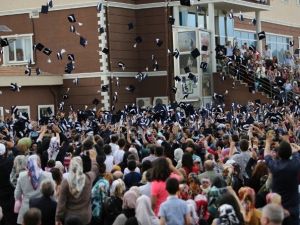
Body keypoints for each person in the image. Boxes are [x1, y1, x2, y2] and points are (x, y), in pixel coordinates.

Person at [55, 151, 99, 225]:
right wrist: (93, 159)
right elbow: (95, 169)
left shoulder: (66, 182)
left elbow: (61, 203)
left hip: (69, 217)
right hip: (85, 217)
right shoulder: (88, 178)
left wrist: (58, 218)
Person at [264, 139, 300, 225]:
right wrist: (292, 147)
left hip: (277, 209)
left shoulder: (275, 166)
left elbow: (266, 156)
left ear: (278, 154)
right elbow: (296, 152)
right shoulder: (296, 163)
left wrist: (268, 143)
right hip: (293, 208)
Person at [15, 155, 53, 225]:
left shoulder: (22, 175)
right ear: (39, 163)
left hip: (26, 208)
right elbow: (52, 194)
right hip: (43, 209)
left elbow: (17, 195)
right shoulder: (48, 175)